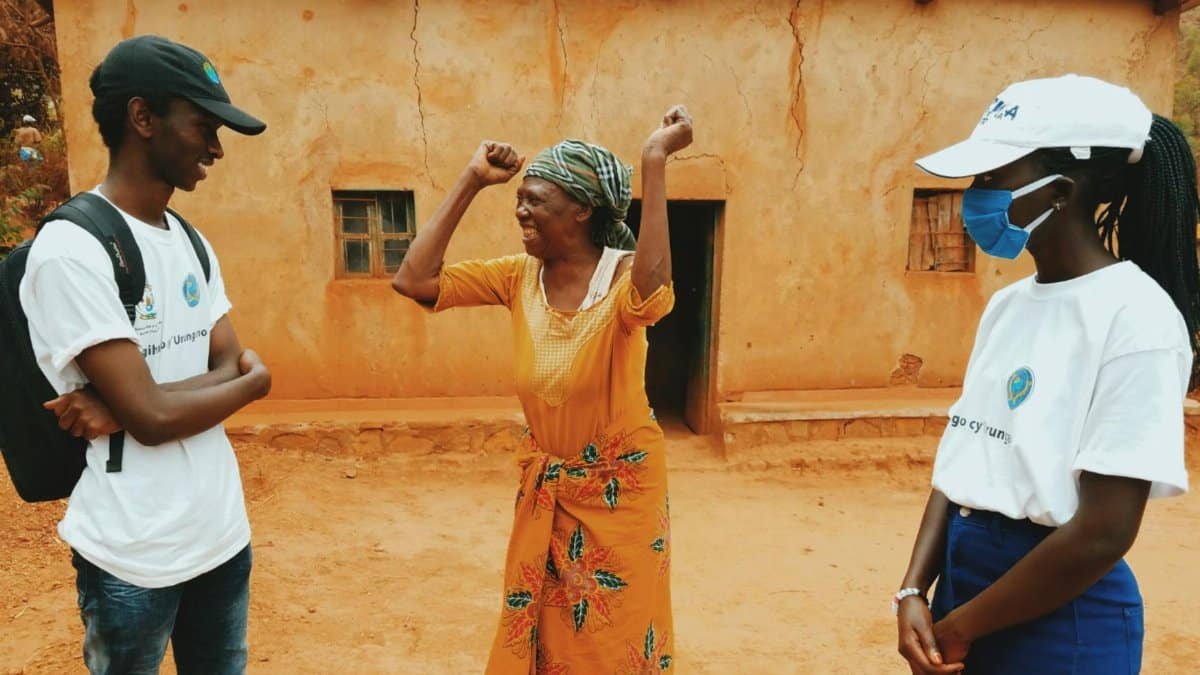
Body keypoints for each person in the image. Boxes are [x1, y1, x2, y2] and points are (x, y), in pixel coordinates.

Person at [895, 74, 1196, 674]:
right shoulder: (1008, 306)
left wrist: (961, 627)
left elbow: (1104, 532)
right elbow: (964, 458)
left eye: (991, 179)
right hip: (964, 590)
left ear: (1060, 190)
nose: (974, 197)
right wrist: (913, 590)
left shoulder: (1136, 317)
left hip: (1063, 623)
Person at [393, 105, 693, 672]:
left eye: (535, 201)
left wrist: (654, 161)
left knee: (613, 638)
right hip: (548, 487)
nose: (521, 211)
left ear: (581, 210)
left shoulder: (623, 279)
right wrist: (472, 180)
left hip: (619, 495)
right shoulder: (516, 277)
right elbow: (414, 279)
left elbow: (655, 294)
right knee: (547, 633)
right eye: (519, 200)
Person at [19, 35, 269, 674]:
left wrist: (127, 403)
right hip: (134, 557)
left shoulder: (188, 239)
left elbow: (221, 366)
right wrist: (254, 384)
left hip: (221, 536)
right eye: (203, 126)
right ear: (143, 117)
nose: (215, 147)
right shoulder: (72, 250)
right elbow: (174, 409)